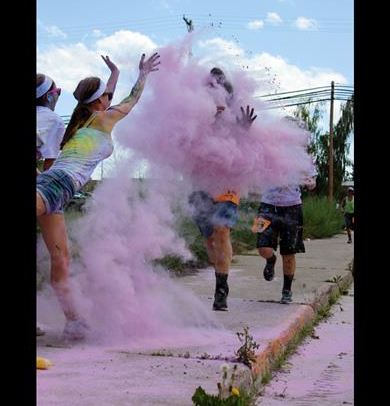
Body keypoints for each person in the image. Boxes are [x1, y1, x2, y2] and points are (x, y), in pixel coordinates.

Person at [36, 52, 160, 341]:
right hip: (54, 185)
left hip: (57, 193)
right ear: (100, 101)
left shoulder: (84, 121)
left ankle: (74, 322)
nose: (109, 97)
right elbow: (131, 100)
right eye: (106, 95)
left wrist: (115, 73)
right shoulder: (103, 118)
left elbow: (106, 94)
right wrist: (143, 75)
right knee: (61, 259)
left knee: (62, 259)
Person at [189, 68, 257, 311]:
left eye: (219, 86)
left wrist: (244, 129)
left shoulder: (234, 115)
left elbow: (244, 148)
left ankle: (221, 290)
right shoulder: (193, 112)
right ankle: (220, 272)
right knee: (210, 241)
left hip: (227, 185)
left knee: (221, 232)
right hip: (200, 185)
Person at [254, 165, 317, 304]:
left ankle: (287, 290)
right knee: (262, 248)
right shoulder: (265, 149)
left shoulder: (302, 156)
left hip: (293, 208)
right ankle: (270, 260)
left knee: (289, 251)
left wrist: (310, 182)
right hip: (266, 206)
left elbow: (312, 181)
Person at [36, 74, 66, 336]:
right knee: (60, 256)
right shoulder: (53, 120)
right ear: (49, 96)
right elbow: (50, 167)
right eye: (57, 91)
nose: (59, 94)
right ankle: (75, 321)